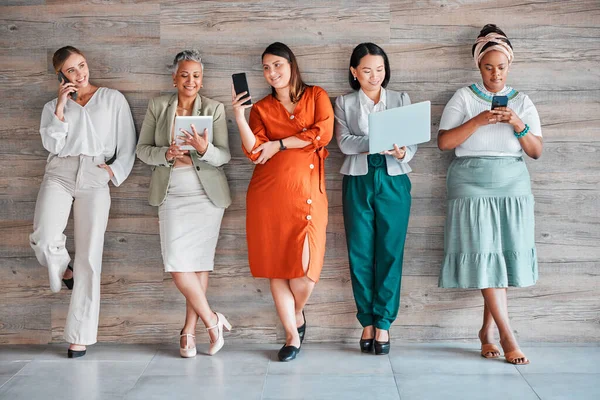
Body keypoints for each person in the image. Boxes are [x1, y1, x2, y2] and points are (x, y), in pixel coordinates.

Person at [437, 24, 543, 365]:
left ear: (509, 66)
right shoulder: (464, 97)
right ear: (478, 66)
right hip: (469, 183)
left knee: (502, 257)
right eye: (488, 66)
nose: (495, 73)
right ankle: (507, 335)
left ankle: (486, 332)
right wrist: (480, 120)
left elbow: (536, 151)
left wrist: (517, 124)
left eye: (500, 67)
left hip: (512, 182)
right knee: (484, 253)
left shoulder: (523, 101)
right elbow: (444, 142)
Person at [30, 46, 136, 358]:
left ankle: (80, 335)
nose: (80, 73)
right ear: (61, 76)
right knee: (43, 237)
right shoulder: (53, 105)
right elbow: (50, 143)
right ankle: (65, 272)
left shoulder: (112, 98)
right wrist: (61, 107)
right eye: (72, 70)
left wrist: (112, 172)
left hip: (94, 174)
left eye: (82, 65)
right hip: (59, 172)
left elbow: (127, 142)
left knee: (90, 256)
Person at [231, 42, 334, 361]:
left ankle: (297, 313)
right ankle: (292, 334)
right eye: (266, 67)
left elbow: (323, 133)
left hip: (308, 194)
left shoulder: (316, 95)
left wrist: (279, 144)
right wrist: (239, 117)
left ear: (291, 65)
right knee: (277, 268)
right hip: (268, 196)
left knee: (305, 272)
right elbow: (254, 153)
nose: (272, 72)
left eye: (277, 65)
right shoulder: (260, 108)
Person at [136, 50, 232, 357]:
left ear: (202, 80)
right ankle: (213, 320)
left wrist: (204, 149)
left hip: (206, 195)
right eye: (185, 74)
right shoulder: (158, 106)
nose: (191, 80)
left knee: (199, 263)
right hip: (172, 190)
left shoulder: (214, 108)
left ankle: (189, 332)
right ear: (174, 77)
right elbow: (142, 150)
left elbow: (224, 156)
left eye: (196, 75)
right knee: (177, 263)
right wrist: (165, 153)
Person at [334, 43, 416, 355]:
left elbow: (412, 142)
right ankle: (366, 320)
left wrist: (402, 150)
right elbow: (344, 143)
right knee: (360, 253)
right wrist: (377, 141)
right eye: (367, 70)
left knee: (391, 253)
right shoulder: (343, 102)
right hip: (358, 179)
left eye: (380, 69)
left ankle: (383, 323)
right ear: (354, 72)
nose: (374, 76)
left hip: (394, 179)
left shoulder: (400, 99)